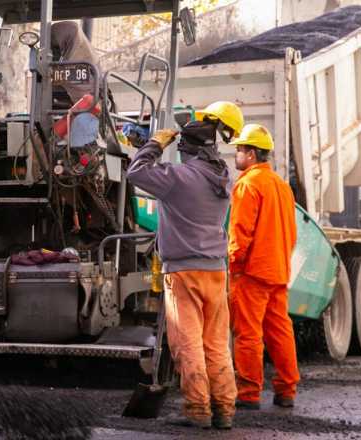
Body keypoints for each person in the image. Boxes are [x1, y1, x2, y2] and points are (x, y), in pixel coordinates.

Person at [125, 101, 245, 430]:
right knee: (216, 344)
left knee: (188, 343)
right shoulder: (222, 176)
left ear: (186, 149)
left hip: (183, 274)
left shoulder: (178, 178)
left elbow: (136, 172)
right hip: (215, 270)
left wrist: (153, 145)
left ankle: (198, 409)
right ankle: (224, 409)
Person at [227, 123, 300, 410]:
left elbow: (240, 232)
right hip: (277, 270)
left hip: (251, 272)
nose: (236, 154)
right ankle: (287, 390)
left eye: (240, 150)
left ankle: (248, 393)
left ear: (252, 153)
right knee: (280, 332)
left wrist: (233, 265)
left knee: (247, 334)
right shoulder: (282, 186)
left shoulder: (248, 184)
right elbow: (291, 232)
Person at [50, 20, 100, 103]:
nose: (56, 50)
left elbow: (66, 76)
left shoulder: (83, 61)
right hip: (73, 104)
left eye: (56, 46)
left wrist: (48, 73)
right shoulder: (66, 59)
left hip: (90, 105)